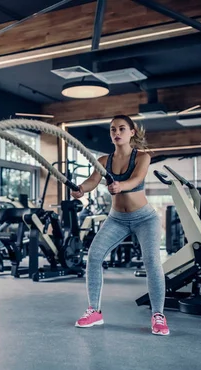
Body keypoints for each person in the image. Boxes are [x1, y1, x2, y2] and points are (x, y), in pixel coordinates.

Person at [71, 115, 169, 336]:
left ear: (132, 132)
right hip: (116, 219)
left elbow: (136, 179)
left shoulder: (143, 157)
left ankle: (158, 315)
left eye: (122, 129)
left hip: (145, 218)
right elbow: (93, 180)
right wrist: (81, 189)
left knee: (152, 261)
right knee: (94, 256)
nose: (116, 133)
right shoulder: (104, 160)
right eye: (113, 129)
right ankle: (94, 311)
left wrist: (121, 185)